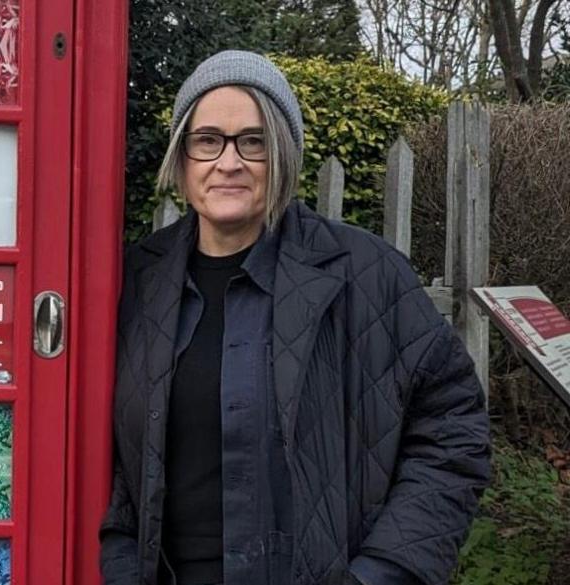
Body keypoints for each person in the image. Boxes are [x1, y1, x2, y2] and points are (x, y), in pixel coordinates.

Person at [99, 50, 490, 585]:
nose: (229, 162)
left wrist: (384, 572)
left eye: (253, 142)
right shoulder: (138, 280)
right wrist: (120, 558)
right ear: (183, 157)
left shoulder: (368, 274)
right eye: (208, 139)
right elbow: (113, 450)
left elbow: (453, 429)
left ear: (282, 153)